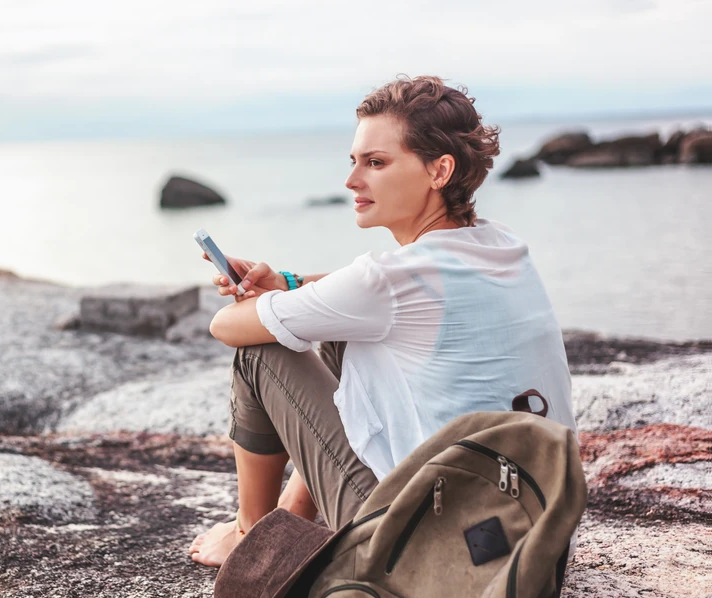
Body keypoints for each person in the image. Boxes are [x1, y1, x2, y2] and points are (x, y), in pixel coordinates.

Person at [188, 75, 578, 567]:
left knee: (259, 352)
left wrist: (251, 301)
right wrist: (289, 283)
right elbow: (375, 292)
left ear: (439, 170)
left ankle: (251, 539)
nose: (353, 181)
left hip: (433, 559)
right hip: (533, 546)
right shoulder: (500, 244)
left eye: (376, 163)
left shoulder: (385, 284)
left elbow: (226, 327)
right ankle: (294, 516)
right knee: (341, 333)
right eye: (354, 162)